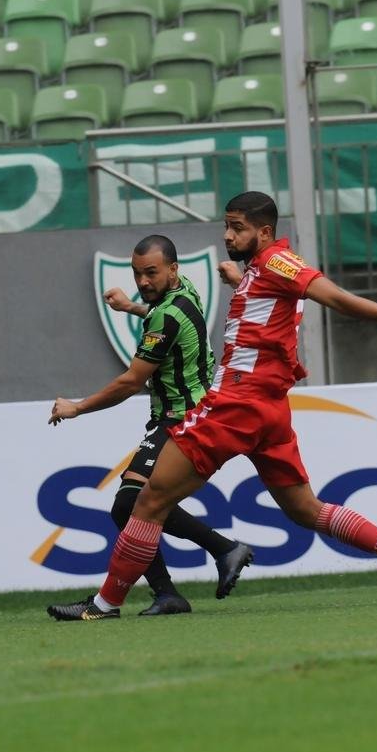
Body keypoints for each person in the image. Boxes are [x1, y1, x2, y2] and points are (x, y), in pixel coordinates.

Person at [48, 192, 377, 621]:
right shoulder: (260, 270)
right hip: (270, 408)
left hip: (237, 401)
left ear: (264, 231)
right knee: (304, 510)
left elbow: (330, 295)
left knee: (147, 501)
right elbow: (269, 304)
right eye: (227, 226)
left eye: (237, 227)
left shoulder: (279, 263)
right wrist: (236, 281)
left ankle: (105, 604)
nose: (228, 235)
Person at [47, 234, 253, 618]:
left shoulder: (164, 315)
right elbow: (169, 318)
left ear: (172, 269)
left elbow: (130, 382)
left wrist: (77, 407)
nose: (143, 282)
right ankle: (185, 579)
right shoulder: (184, 292)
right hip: (185, 415)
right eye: (137, 274)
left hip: (182, 419)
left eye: (151, 273)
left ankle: (197, 567)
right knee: (135, 504)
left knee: (130, 504)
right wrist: (132, 308)